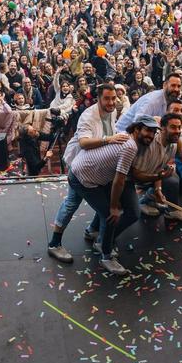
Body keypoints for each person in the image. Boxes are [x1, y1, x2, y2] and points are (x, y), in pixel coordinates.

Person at [59, 114, 160, 276]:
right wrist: (113, 207)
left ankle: (93, 233)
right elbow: (119, 180)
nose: (151, 135)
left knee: (107, 210)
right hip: (82, 178)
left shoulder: (126, 138)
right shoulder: (130, 146)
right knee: (109, 215)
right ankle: (106, 257)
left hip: (88, 173)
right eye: (148, 130)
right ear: (136, 129)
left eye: (154, 132)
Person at [48, 84, 126, 262]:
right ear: (98, 99)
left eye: (113, 98)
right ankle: (54, 244)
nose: (111, 102)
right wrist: (109, 139)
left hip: (96, 166)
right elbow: (84, 142)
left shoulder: (113, 111)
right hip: (80, 166)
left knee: (99, 202)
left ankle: (93, 232)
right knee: (73, 203)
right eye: (107, 98)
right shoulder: (88, 116)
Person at [115, 72, 182, 132]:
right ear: (164, 85)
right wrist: (152, 120)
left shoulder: (172, 98)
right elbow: (137, 123)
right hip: (123, 133)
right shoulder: (152, 100)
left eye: (179, 86)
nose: (176, 89)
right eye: (173, 85)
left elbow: (180, 116)